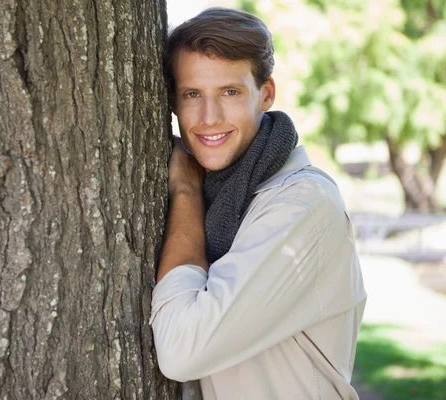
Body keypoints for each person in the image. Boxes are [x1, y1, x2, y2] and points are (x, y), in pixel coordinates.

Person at [149, 7, 367, 400]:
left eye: (229, 92)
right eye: (192, 94)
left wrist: (185, 190)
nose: (209, 117)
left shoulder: (301, 206)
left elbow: (182, 350)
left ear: (265, 94)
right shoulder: (225, 196)